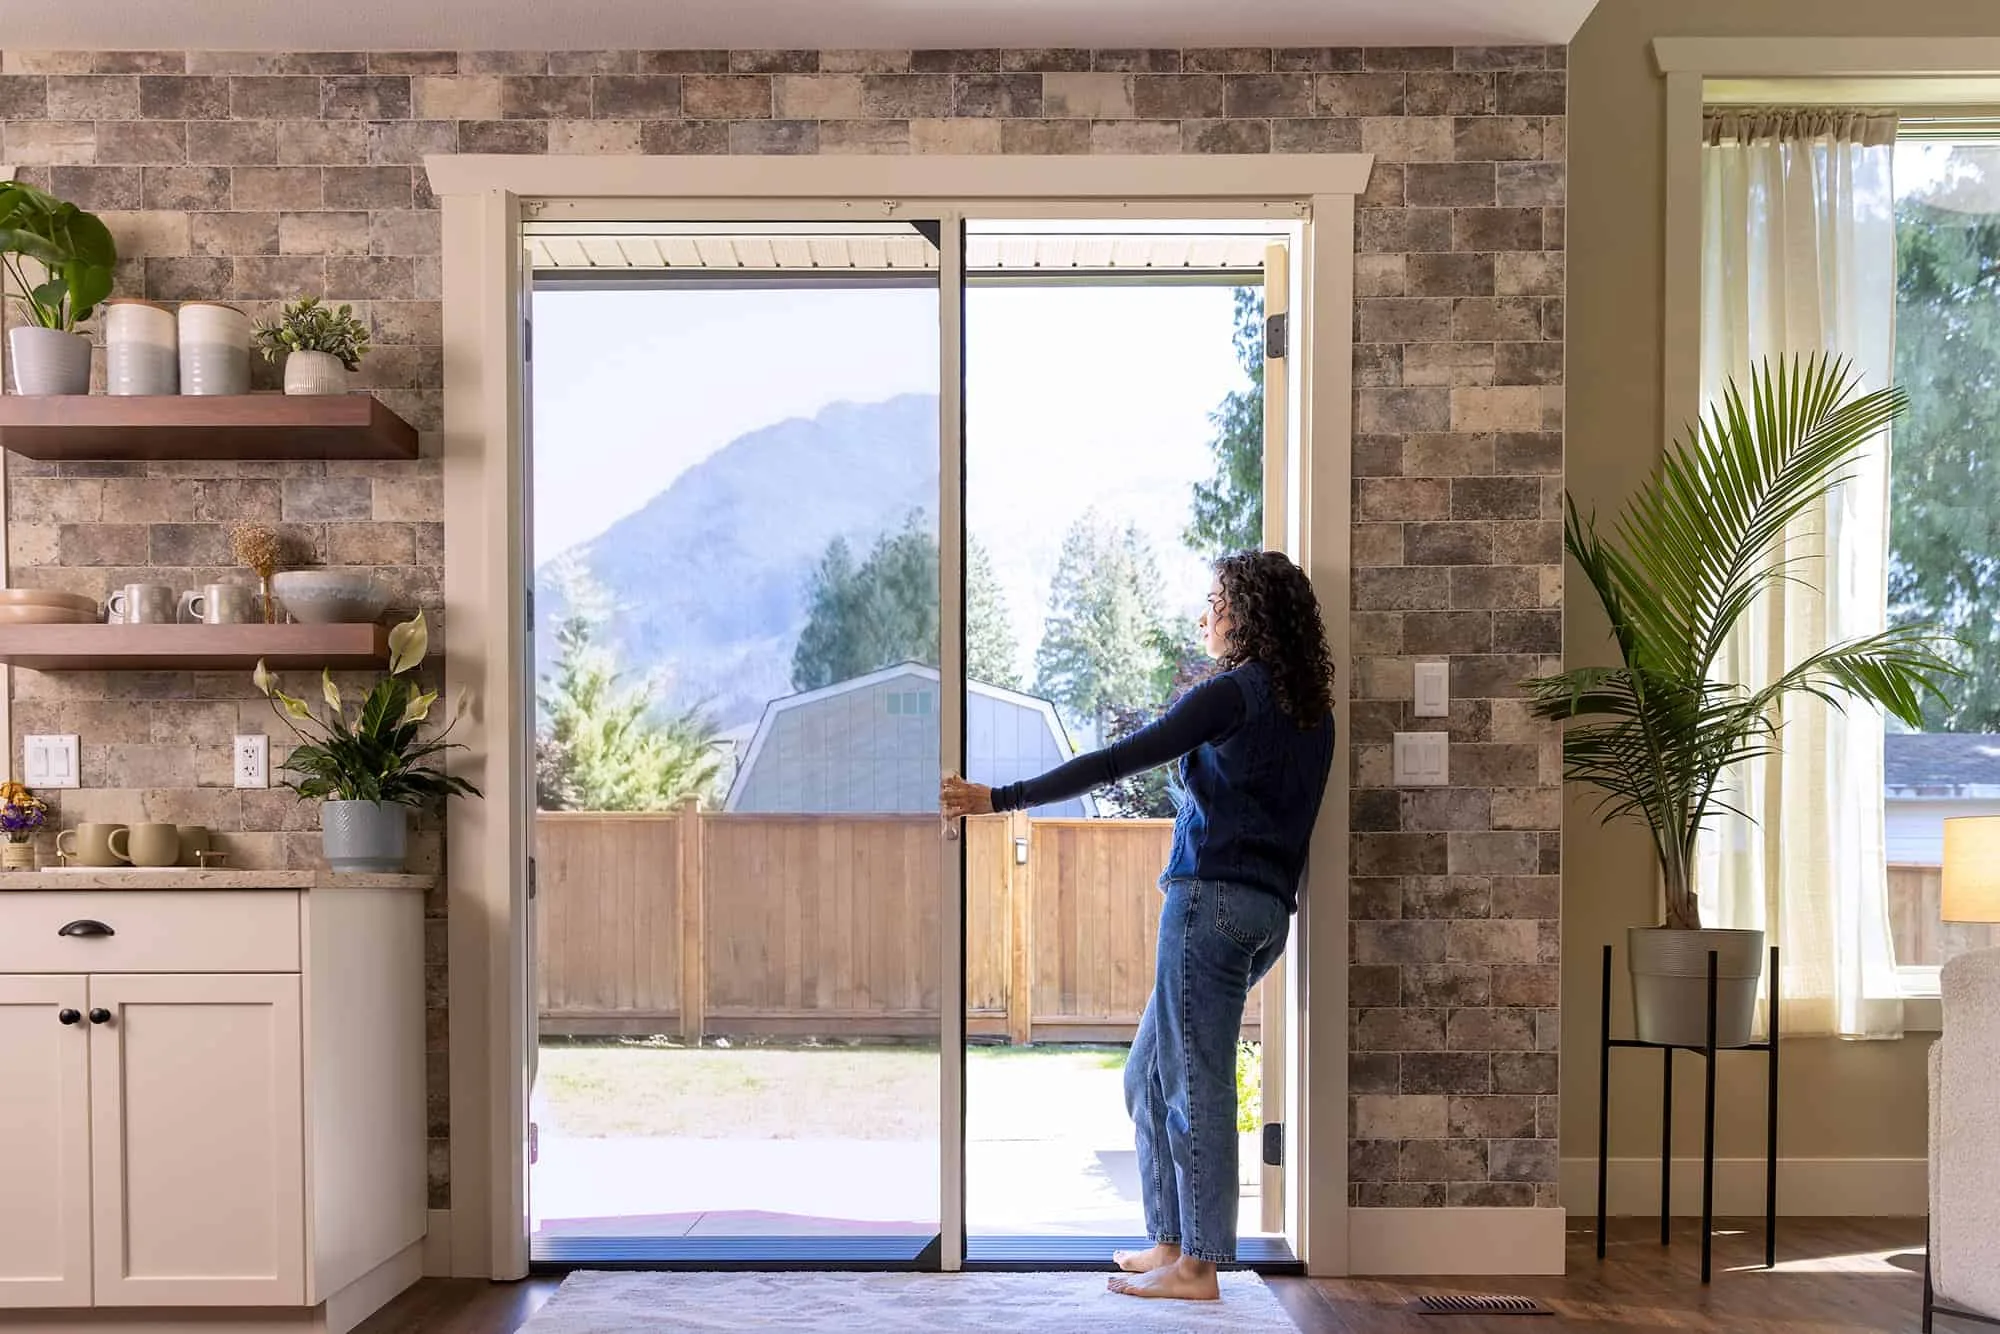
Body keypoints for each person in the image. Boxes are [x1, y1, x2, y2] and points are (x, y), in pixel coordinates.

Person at [942, 549, 1335, 1302]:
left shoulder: (1235, 695)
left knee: (1196, 1084)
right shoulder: (1311, 712)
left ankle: (1200, 1265)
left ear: (1246, 613)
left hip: (1209, 905)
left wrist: (1001, 798)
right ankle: (1170, 1241)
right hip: (1265, 913)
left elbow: (1120, 758)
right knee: (1148, 1076)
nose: (1205, 615)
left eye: (1215, 601)